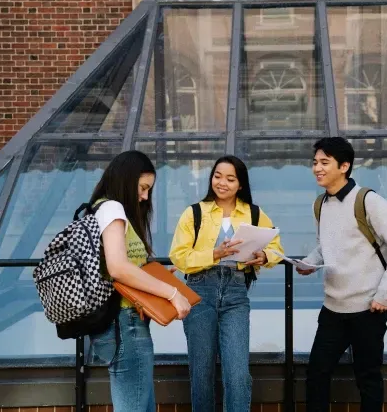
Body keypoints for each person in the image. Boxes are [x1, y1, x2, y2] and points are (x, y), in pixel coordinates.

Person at [297, 137, 387, 412]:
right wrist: (308, 262)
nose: (317, 168)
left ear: (344, 166)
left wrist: (384, 295)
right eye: (315, 162)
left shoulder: (369, 201)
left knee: (368, 378)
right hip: (332, 308)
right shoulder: (320, 204)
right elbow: (326, 246)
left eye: (325, 162)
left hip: (368, 309)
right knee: (316, 374)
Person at [169, 155, 284, 412]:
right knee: (201, 373)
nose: (222, 183)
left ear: (240, 184)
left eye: (230, 179)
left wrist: (264, 256)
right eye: (217, 176)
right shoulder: (194, 212)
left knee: (238, 374)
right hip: (199, 290)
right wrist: (214, 254)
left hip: (235, 292)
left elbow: (276, 247)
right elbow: (179, 256)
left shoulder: (253, 212)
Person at [89, 150, 192, 412]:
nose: (145, 196)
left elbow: (120, 268)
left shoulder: (101, 208)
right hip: (125, 324)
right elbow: (118, 268)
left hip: (124, 324)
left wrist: (152, 279)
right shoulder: (111, 208)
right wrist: (171, 293)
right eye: (143, 187)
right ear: (126, 179)